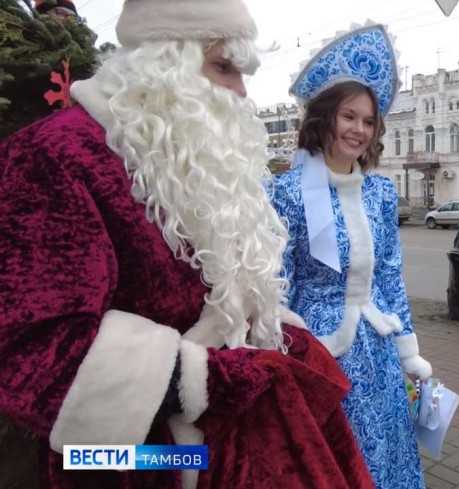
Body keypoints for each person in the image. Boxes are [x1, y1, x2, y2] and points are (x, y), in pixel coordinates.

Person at [0, 1, 374, 488]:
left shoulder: (185, 154)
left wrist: (276, 337)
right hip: (127, 462)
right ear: (161, 62)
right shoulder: (55, 154)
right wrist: (208, 379)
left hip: (227, 438)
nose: (241, 92)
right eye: (223, 67)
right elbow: (34, 353)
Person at [272, 23, 432, 489]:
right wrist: (290, 358)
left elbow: (390, 276)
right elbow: (277, 288)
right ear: (324, 118)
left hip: (379, 350)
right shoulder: (284, 193)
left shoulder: (381, 193)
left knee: (386, 454)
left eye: (368, 121)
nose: (359, 130)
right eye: (349, 116)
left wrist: (409, 352)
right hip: (319, 353)